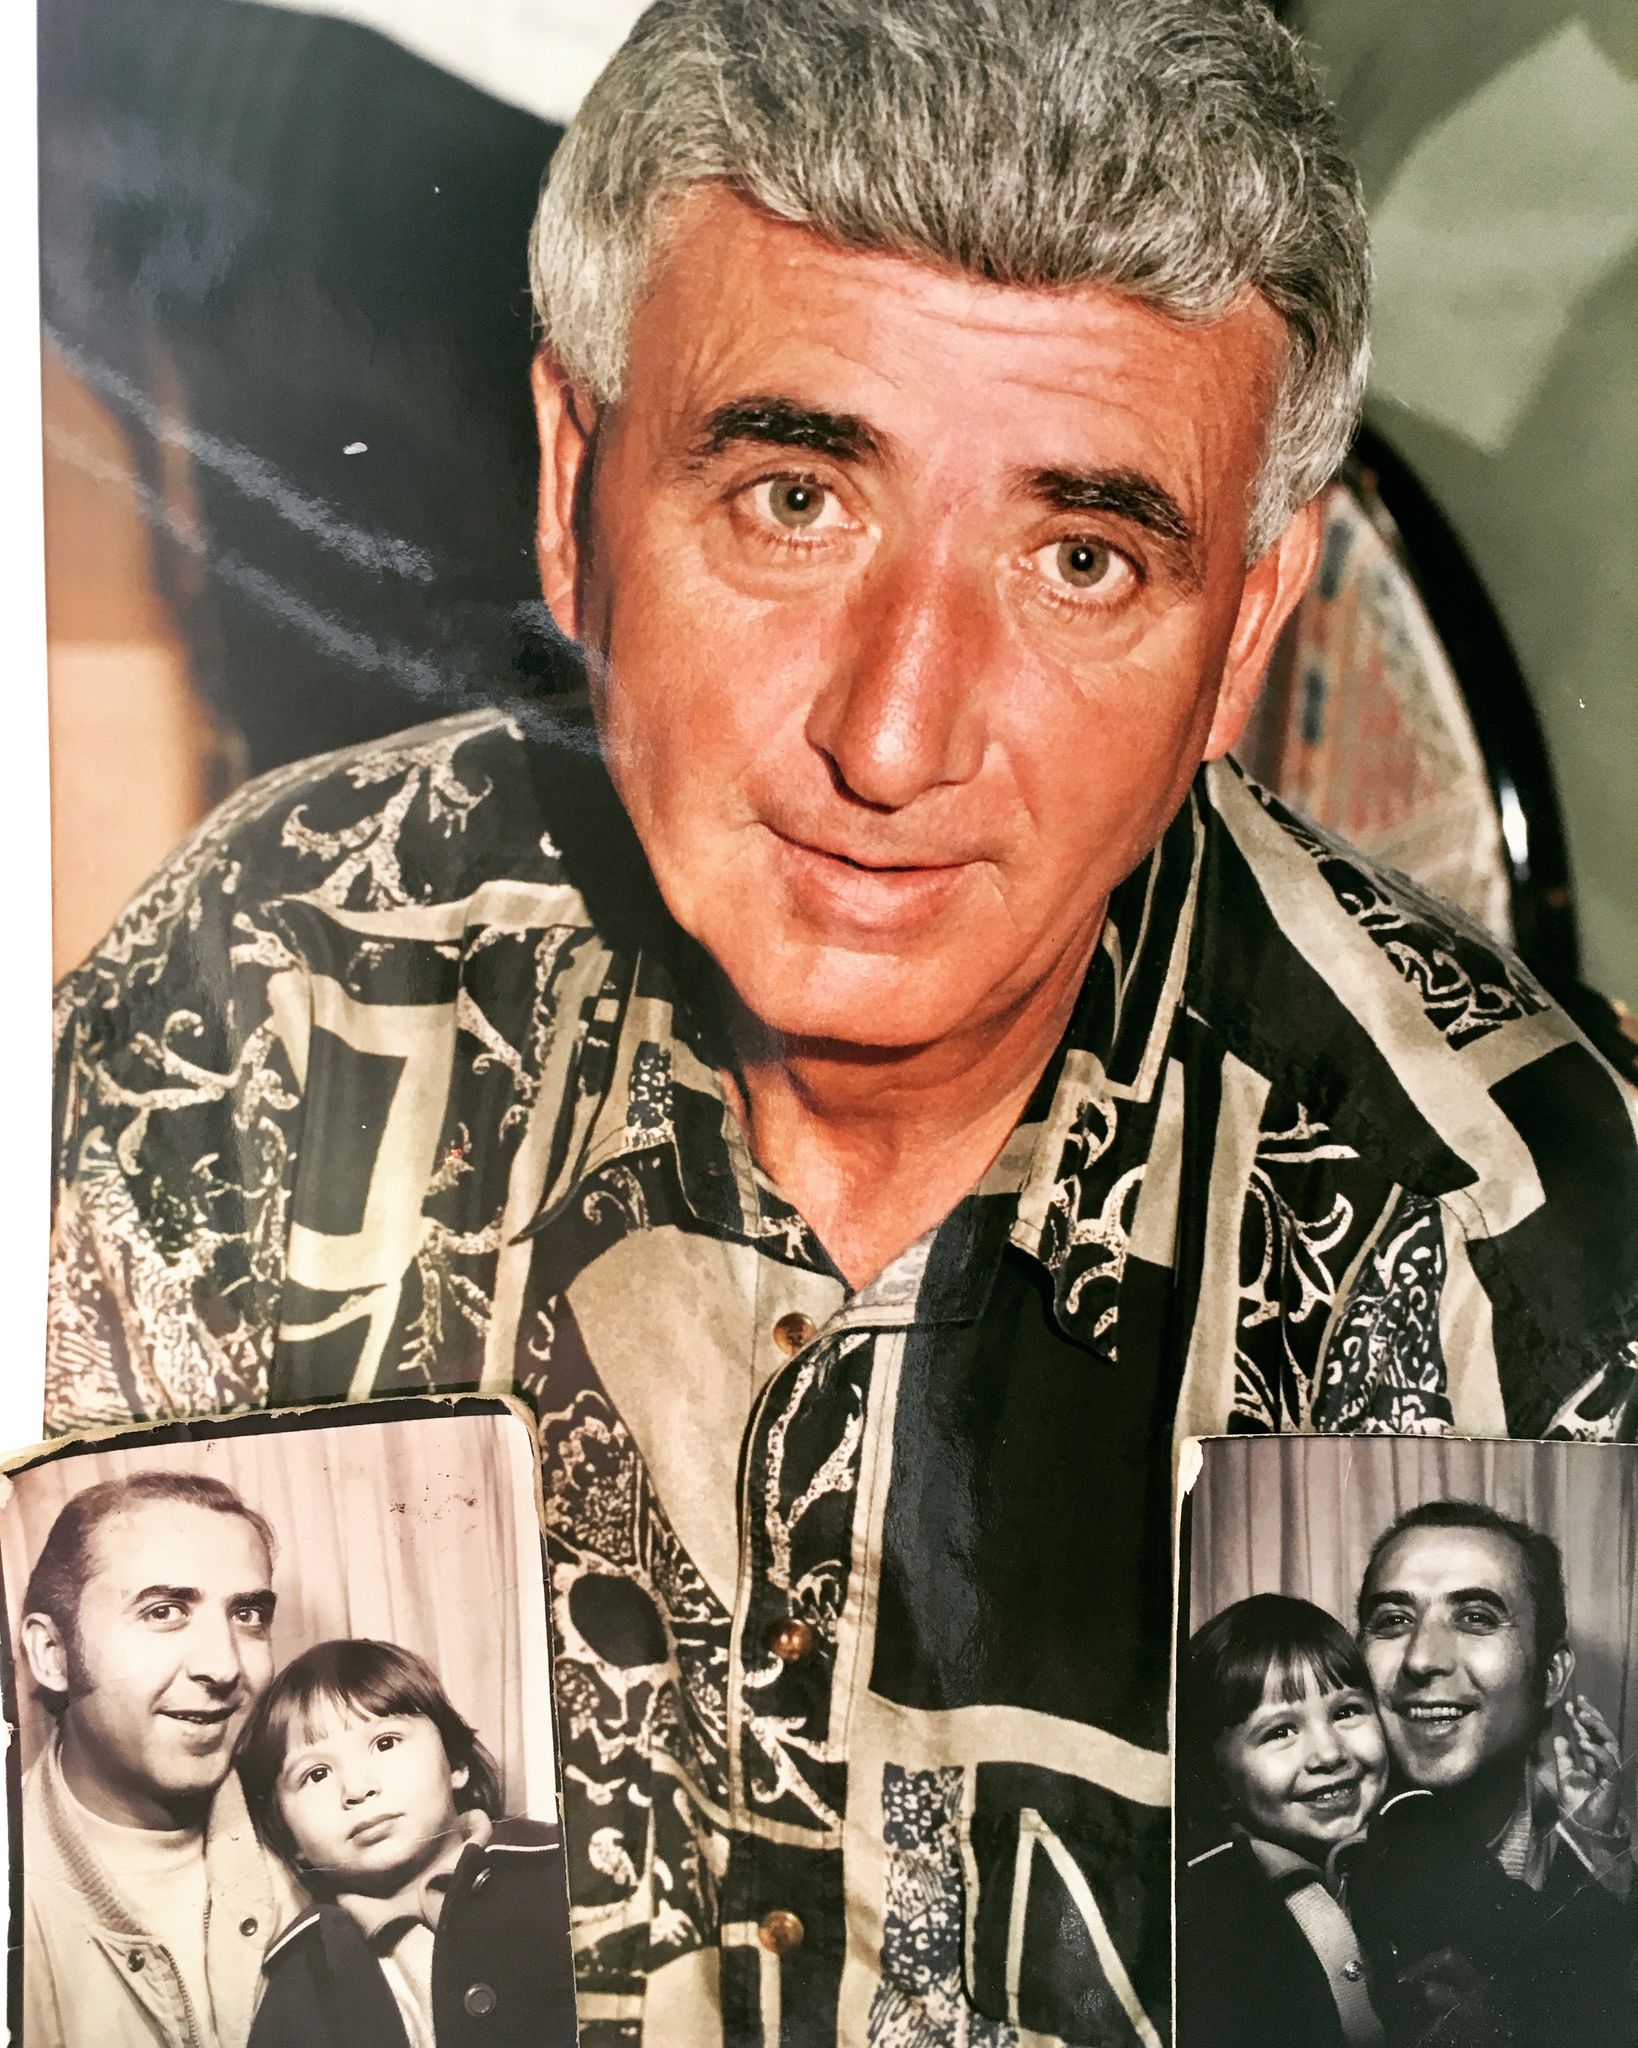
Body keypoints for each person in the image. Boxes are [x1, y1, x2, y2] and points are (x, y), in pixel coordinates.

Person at [47, 1, 1638, 2038]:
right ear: (571, 486)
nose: (892, 737)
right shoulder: (258, 1013)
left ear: (1247, 623)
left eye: (1081, 559)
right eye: (795, 502)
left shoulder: (1517, 1250)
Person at [16, 1470, 293, 2048]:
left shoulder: (321, 1830)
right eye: (164, 1611)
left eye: (247, 1615)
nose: (223, 1667)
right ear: (53, 1654)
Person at [1352, 1499, 1637, 2047]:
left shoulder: (1603, 1865)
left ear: (1550, 1675)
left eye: (1477, 1618)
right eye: (1393, 1620)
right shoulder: (1308, 1871)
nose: (1421, 1659)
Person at [236, 1639, 575, 2048]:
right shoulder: (300, 1973)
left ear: (456, 1762)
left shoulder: (563, 1868)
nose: (357, 1789)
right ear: (289, 1836)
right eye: (317, 1774)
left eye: (385, 1743)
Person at [1177, 1594, 1390, 2048]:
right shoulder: (1206, 1911)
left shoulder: (1416, 1844)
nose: (1329, 1754)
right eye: (1280, 1732)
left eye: (1346, 1712)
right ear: (1213, 1774)